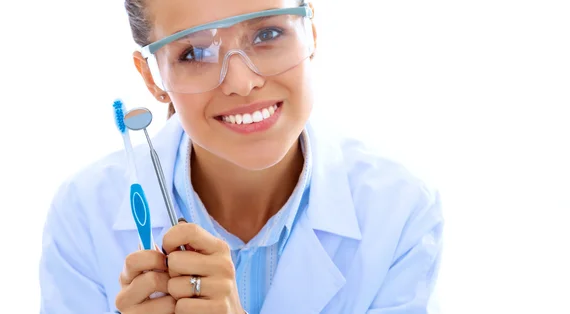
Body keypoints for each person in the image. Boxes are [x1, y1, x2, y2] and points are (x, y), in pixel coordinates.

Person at [38, 0, 444, 313]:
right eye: (194, 53)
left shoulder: (399, 209)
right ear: (152, 77)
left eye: (267, 34)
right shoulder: (83, 213)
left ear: (312, 32)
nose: (242, 82)